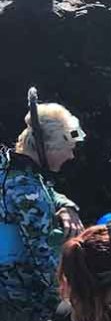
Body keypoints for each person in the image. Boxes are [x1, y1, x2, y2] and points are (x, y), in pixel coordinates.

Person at [0, 93, 84, 307]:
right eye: (69, 149)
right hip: (13, 290)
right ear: (48, 148)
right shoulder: (27, 191)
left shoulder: (11, 165)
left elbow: (46, 189)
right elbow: (44, 262)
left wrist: (65, 206)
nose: (71, 156)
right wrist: (76, 299)